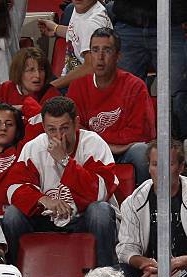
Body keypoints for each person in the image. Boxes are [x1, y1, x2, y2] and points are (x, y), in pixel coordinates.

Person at [3, 96, 119, 266]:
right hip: (46, 220)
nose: (58, 136)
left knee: (100, 211)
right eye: (51, 129)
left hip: (83, 219)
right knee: (13, 215)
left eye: (64, 128)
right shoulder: (34, 147)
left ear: (76, 123)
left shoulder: (93, 143)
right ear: (43, 127)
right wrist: (43, 200)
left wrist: (64, 160)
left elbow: (99, 193)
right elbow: (13, 188)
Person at [67, 27, 156, 186]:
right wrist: (105, 145)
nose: (100, 57)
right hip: (90, 152)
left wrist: (105, 143)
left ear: (118, 56)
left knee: (142, 152)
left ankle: (145, 203)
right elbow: (73, 128)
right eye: (95, 50)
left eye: (107, 50)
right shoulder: (77, 87)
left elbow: (140, 132)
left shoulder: (135, 86)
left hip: (125, 152)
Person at [117, 139, 187, 277]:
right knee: (122, 273)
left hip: (184, 270)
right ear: (149, 167)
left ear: (181, 167)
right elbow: (126, 250)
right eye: (156, 164)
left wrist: (178, 262)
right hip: (149, 273)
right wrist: (147, 263)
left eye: (169, 164)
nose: (162, 171)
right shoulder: (133, 202)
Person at [112, 0, 187, 141]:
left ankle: (179, 152)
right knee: (123, 93)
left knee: (177, 95)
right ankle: (128, 145)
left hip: (172, 24)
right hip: (128, 23)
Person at [38, 0, 112, 90]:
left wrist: (52, 86)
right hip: (72, 77)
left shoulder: (91, 24)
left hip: (81, 88)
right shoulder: (83, 7)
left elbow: (92, 67)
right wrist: (56, 29)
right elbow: (79, 33)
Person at [0, 47, 59, 111]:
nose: (38, 75)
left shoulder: (51, 93)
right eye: (31, 70)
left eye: (41, 69)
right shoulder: (7, 88)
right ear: (19, 72)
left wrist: (23, 108)